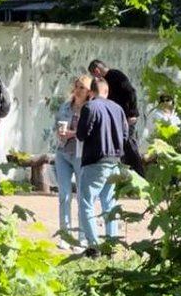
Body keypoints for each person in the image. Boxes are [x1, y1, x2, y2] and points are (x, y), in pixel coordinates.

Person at [74, 76, 130, 257]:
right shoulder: (118, 109)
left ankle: (94, 246)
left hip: (95, 161)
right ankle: (111, 246)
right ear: (107, 91)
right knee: (109, 205)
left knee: (86, 204)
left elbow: (81, 134)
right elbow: (125, 134)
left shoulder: (90, 107)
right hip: (115, 162)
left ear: (91, 91)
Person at [52, 75, 92, 249]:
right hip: (63, 153)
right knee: (64, 195)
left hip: (81, 155)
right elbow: (56, 125)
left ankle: (82, 237)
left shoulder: (90, 108)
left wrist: (73, 134)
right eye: (77, 86)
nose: (78, 90)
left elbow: (90, 131)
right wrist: (60, 133)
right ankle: (65, 236)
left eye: (82, 87)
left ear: (89, 91)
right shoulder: (65, 106)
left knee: (82, 196)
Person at [88, 59, 144, 176]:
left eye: (94, 75)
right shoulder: (105, 82)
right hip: (116, 119)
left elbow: (131, 92)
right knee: (119, 146)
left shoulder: (116, 76)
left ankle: (140, 174)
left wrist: (132, 113)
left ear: (97, 71)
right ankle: (124, 175)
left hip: (126, 118)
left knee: (128, 144)